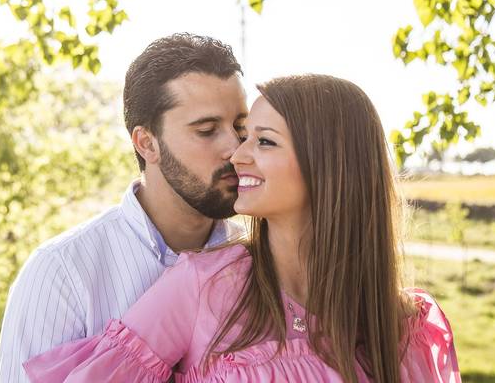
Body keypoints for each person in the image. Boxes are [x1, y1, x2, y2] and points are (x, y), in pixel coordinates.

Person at [24, 74, 461, 382]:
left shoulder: (404, 325)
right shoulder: (203, 287)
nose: (237, 155)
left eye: (262, 140)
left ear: (329, 166)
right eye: (243, 135)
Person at [0, 34, 249, 382]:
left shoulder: (258, 262)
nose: (235, 149)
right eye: (207, 130)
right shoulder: (62, 272)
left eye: (241, 127)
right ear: (147, 144)